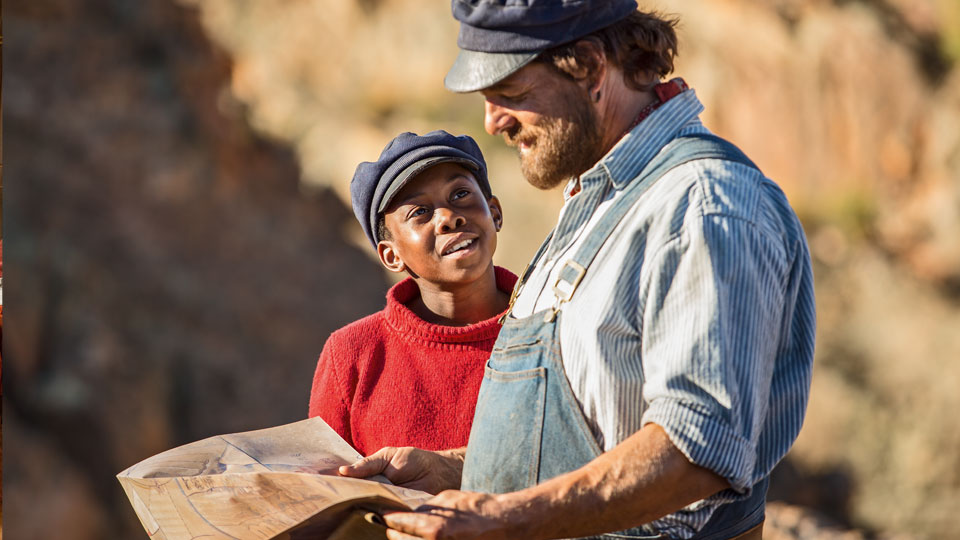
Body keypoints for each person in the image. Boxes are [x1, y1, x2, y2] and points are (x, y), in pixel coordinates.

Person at [338, 1, 816, 539]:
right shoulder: (603, 203)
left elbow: (697, 449)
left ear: (588, 66)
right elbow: (599, 431)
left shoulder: (701, 206)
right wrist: (458, 471)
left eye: (513, 94)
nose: (493, 122)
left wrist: (504, 518)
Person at [308, 130, 517, 467]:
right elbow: (326, 492)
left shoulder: (551, 326)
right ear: (391, 256)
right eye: (419, 212)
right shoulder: (352, 354)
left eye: (460, 193)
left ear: (495, 213)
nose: (449, 217)